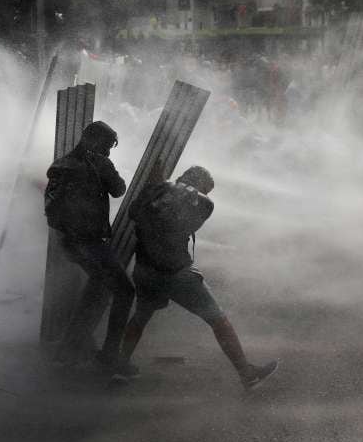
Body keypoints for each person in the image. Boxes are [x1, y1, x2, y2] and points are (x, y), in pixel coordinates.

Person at [113, 166, 278, 389]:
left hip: (146, 268)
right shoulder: (198, 200)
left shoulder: (155, 191)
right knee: (219, 320)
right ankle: (246, 373)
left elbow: (135, 212)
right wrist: (168, 186)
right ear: (198, 184)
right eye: (206, 189)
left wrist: (159, 185)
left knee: (140, 317)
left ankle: (121, 367)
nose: (206, 195)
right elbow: (194, 210)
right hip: (175, 271)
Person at [44, 121, 135, 366]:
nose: (107, 152)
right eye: (106, 146)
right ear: (92, 140)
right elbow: (119, 190)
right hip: (90, 242)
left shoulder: (60, 164)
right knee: (125, 291)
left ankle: (68, 351)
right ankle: (109, 355)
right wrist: (106, 166)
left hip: (68, 242)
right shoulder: (99, 163)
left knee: (95, 291)